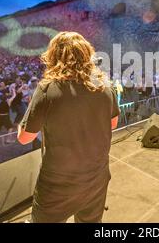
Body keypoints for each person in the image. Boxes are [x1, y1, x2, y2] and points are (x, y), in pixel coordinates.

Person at [17, 31, 120, 223]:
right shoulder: (105, 86)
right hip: (96, 178)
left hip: (58, 184)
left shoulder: (47, 89)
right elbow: (113, 123)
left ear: (54, 56)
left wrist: (21, 124)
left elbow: (24, 138)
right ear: (87, 55)